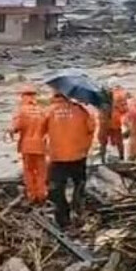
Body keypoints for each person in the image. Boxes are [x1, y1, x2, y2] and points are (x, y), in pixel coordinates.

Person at [38, 92, 96, 227]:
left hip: (58, 157)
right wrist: (85, 146)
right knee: (79, 183)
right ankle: (78, 210)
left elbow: (40, 131)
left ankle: (63, 219)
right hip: (79, 155)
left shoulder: (49, 111)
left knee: (57, 189)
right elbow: (91, 128)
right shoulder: (82, 110)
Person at [8, 85, 48, 203]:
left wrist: (11, 131)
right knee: (41, 171)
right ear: (35, 96)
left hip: (27, 145)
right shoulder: (42, 110)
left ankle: (32, 195)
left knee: (29, 171)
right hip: (40, 145)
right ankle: (42, 194)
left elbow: (14, 128)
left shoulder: (21, 110)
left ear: (23, 96)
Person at [98, 85, 128, 162]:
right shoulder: (116, 101)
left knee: (104, 143)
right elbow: (124, 110)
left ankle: (103, 159)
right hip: (113, 124)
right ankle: (121, 157)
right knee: (117, 142)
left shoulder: (102, 103)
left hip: (106, 125)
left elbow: (124, 110)